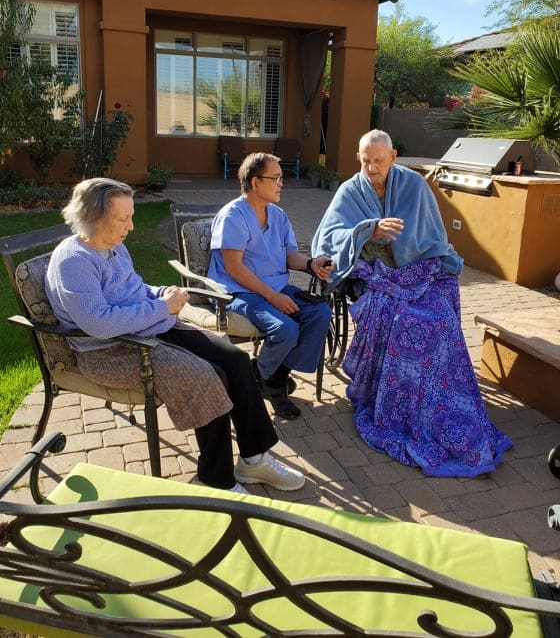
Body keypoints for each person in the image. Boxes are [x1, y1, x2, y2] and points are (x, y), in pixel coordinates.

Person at [45, 177, 305, 493]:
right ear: (92, 217)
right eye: (123, 218)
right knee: (205, 376)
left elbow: (134, 288)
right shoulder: (74, 261)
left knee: (235, 359)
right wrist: (162, 308)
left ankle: (254, 460)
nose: (130, 227)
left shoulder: (113, 247)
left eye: (131, 217)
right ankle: (216, 480)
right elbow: (99, 324)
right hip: (109, 350)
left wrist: (161, 293)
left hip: (149, 327)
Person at [312, 130, 512, 478]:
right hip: (371, 276)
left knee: (441, 319)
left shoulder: (415, 186)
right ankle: (394, 402)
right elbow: (326, 239)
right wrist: (366, 231)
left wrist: (411, 260)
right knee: (402, 319)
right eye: (365, 160)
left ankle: (439, 403)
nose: (371, 168)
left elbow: (434, 236)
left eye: (378, 160)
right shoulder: (350, 191)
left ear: (393, 156)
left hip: (417, 272)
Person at [208, 152, 333, 420]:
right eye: (275, 178)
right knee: (285, 328)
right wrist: (273, 297)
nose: (281, 183)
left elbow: (289, 256)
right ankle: (273, 387)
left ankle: (268, 375)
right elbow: (234, 268)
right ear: (255, 182)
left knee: (320, 313)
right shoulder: (233, 216)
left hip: (275, 288)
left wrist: (312, 264)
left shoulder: (278, 215)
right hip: (237, 292)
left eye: (281, 178)